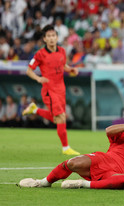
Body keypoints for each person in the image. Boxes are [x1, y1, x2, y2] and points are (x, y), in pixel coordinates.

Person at [22, 25, 80, 155]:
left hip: (61, 89)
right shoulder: (40, 54)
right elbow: (29, 70)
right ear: (44, 39)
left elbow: (63, 65)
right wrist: (38, 78)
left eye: (53, 35)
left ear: (57, 37)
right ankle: (66, 148)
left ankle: (35, 109)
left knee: (57, 119)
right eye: (48, 36)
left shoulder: (62, 51)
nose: (52, 38)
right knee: (61, 117)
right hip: (49, 90)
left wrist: (71, 69)